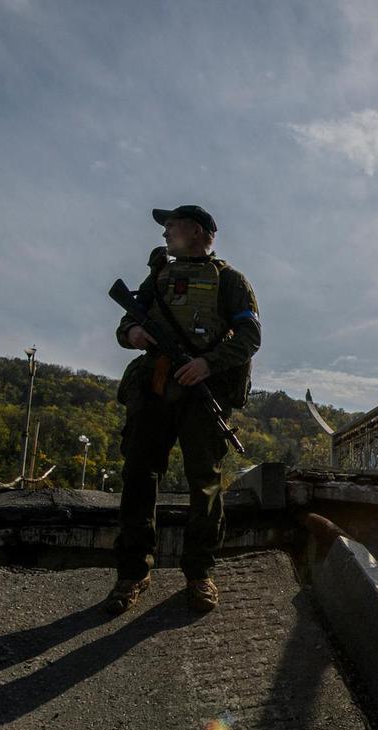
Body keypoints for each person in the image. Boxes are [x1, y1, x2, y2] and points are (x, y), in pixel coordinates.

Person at [106, 204, 260, 615]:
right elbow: (125, 325)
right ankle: (133, 572)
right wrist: (133, 332)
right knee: (138, 475)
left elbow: (249, 336)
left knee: (204, 484)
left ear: (197, 231)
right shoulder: (156, 276)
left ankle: (199, 574)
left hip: (201, 392)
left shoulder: (229, 281)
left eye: (171, 226)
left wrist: (208, 363)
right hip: (153, 387)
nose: (165, 234)